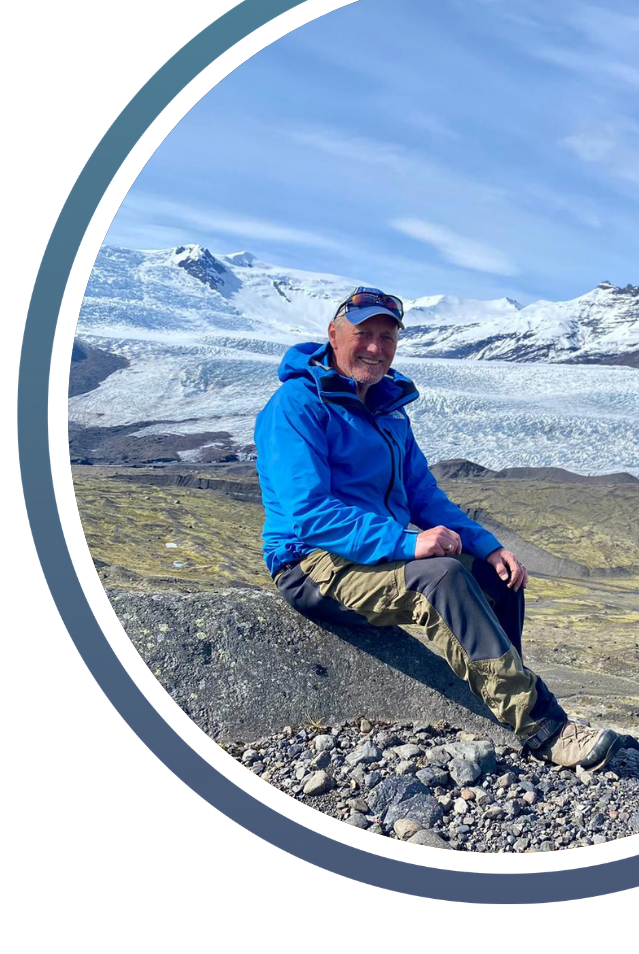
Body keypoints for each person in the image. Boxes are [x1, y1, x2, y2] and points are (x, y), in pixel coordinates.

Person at [253, 286, 617, 770]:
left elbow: (423, 496)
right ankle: (544, 729)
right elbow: (309, 512)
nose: (376, 348)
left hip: (374, 551)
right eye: (364, 334)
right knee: (440, 577)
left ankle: (510, 703)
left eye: (387, 337)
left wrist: (486, 547)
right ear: (333, 335)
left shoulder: (386, 409)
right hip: (311, 562)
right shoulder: (295, 406)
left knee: (499, 578)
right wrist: (407, 542)